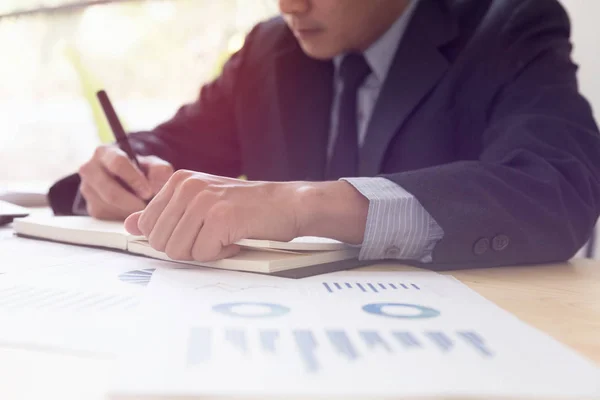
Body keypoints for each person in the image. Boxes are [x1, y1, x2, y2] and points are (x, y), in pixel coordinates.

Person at [49, 0, 600, 270]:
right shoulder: (270, 50)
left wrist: (305, 202)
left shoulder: (506, 26)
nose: (291, 5)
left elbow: (557, 186)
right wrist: (124, 169)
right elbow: (168, 146)